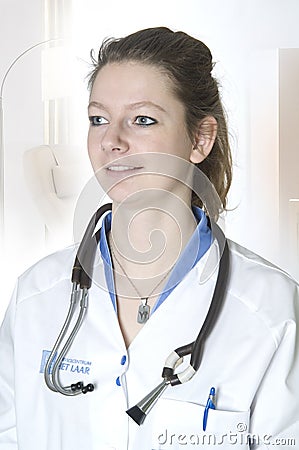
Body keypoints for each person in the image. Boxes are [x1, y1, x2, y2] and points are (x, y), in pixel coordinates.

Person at [0, 27, 298, 450]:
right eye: (98, 119)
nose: (111, 140)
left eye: (143, 119)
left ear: (200, 138)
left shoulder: (271, 309)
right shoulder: (35, 295)